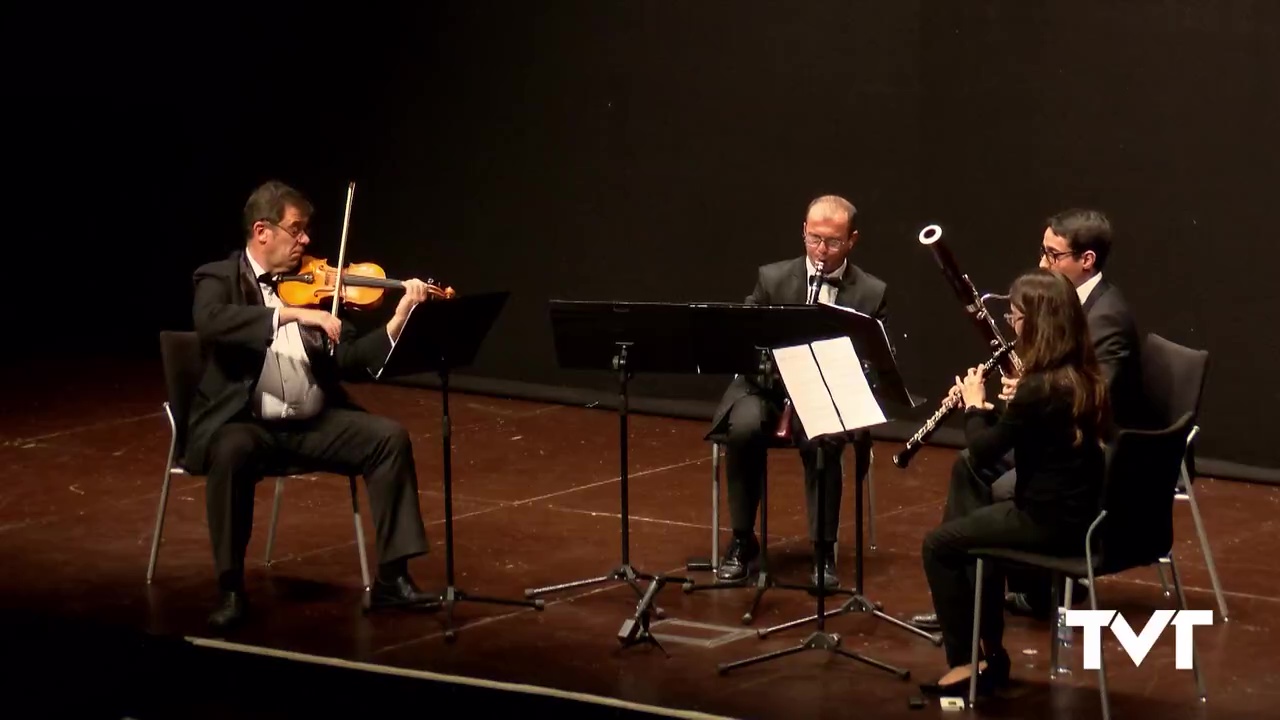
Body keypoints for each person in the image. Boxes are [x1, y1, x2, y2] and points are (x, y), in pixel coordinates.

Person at [186, 180, 438, 631]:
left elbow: (351, 359)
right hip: (248, 425)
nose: (305, 240)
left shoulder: (315, 287)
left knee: (387, 438)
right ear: (262, 231)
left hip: (311, 423)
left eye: (306, 231)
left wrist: (397, 321)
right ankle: (230, 587)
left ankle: (392, 577)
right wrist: (290, 314)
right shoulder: (218, 277)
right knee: (231, 451)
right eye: (295, 229)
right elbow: (209, 322)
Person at [909, 208, 1142, 629]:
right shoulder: (1068, 306)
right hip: (1058, 436)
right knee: (969, 467)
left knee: (986, 474)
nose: (1042, 264)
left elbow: (1090, 399)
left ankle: (984, 601)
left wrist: (1000, 398)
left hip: (1086, 459)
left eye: (1052, 255)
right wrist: (1022, 393)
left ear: (1086, 260)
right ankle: (985, 594)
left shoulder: (1106, 317)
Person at [916, 268, 1109, 696]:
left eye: (1016, 316)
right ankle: (988, 651)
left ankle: (966, 661)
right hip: (1082, 511)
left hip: (1048, 522)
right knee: (966, 516)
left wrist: (973, 404)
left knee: (938, 545)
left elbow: (985, 448)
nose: (1013, 324)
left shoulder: (1039, 387)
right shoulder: (1080, 372)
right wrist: (1002, 405)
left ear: (1036, 323)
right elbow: (1022, 431)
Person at [707, 195, 890, 589]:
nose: (821, 250)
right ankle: (743, 540)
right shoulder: (772, 278)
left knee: (823, 439)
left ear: (852, 240)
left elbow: (872, 362)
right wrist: (780, 374)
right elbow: (747, 342)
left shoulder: (871, 293)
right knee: (743, 428)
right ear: (804, 231)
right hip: (767, 388)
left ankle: (823, 550)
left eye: (833, 242)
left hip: (826, 392)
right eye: (814, 239)